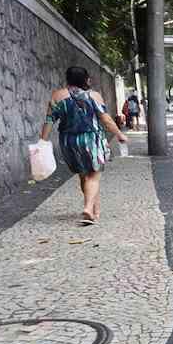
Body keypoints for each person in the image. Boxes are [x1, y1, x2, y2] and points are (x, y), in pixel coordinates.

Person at [39, 66, 128, 225]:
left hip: (69, 142)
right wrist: (119, 134)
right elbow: (106, 119)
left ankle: (94, 211)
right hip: (91, 140)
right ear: (86, 79)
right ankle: (87, 207)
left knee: (83, 175)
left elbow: (49, 120)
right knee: (93, 175)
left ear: (68, 79)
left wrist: (42, 141)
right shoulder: (94, 96)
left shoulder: (57, 96)